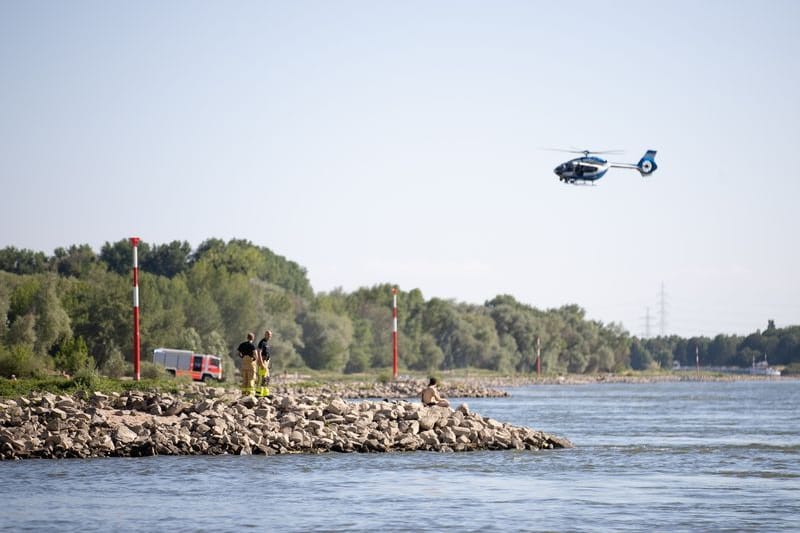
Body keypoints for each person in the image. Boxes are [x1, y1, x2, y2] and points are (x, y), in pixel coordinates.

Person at [256, 329, 272, 398]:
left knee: (266, 378)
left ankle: (265, 394)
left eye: (270, 335)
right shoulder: (262, 342)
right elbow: (259, 352)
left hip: (266, 362)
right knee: (261, 378)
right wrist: (261, 363)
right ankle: (258, 394)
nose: (269, 336)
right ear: (265, 335)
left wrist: (268, 364)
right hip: (263, 362)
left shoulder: (266, 343)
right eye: (268, 334)